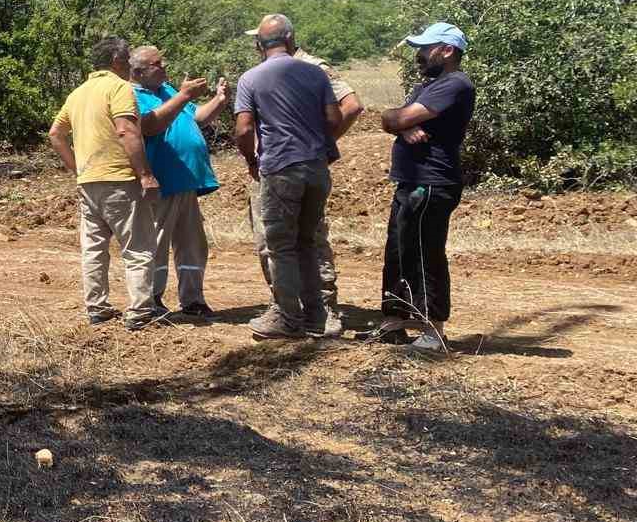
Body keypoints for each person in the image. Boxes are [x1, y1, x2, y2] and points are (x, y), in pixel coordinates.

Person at [241, 28, 364, 336]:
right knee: (305, 242)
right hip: (312, 168)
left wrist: (253, 160)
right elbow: (336, 117)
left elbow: (352, 105)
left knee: (281, 244)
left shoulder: (260, 75)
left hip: (279, 167)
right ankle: (313, 315)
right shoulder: (312, 74)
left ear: (260, 44)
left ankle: (292, 315)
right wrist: (317, 147)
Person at [374, 23, 475, 355]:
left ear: (446, 50)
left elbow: (399, 118)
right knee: (397, 251)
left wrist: (401, 122)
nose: (418, 55)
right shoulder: (428, 86)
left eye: (425, 48)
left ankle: (433, 330)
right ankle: (394, 324)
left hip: (432, 183)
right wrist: (401, 127)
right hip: (411, 181)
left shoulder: (455, 84)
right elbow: (390, 118)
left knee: (423, 253)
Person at [47, 36, 160, 330]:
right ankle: (139, 312)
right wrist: (146, 174)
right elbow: (126, 131)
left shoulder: (77, 94)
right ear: (117, 61)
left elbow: (55, 135)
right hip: (119, 179)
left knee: (94, 248)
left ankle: (97, 307)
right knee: (137, 247)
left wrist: (78, 169)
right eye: (127, 61)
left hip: (89, 182)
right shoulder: (118, 88)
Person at [129, 45, 226, 320]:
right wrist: (183, 95)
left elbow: (198, 117)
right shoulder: (133, 95)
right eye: (157, 64)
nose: (164, 66)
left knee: (192, 243)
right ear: (138, 72)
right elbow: (149, 126)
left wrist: (219, 100)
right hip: (161, 182)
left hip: (185, 180)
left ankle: (193, 299)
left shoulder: (166, 91)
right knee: (156, 243)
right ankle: (152, 299)